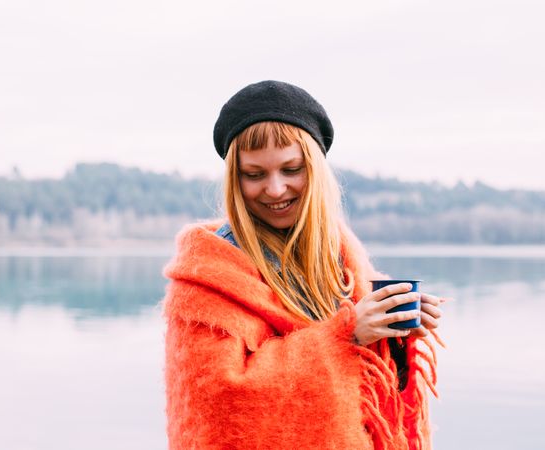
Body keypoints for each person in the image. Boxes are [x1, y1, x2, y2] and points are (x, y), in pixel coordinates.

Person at [162, 80, 444, 450]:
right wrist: (348, 334)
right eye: (255, 174)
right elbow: (221, 404)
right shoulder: (208, 274)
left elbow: (370, 394)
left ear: (315, 169)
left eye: (291, 169)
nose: (276, 189)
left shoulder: (341, 255)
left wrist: (394, 334)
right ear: (235, 179)